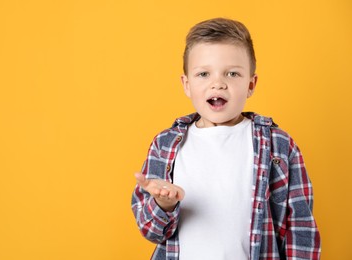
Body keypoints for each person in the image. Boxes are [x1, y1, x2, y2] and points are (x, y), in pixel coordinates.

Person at [131, 17, 321, 260]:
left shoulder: (278, 146)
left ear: (251, 84)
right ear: (187, 85)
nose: (217, 83)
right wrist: (163, 204)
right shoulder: (165, 146)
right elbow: (151, 231)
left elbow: (301, 227)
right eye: (203, 74)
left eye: (232, 73)